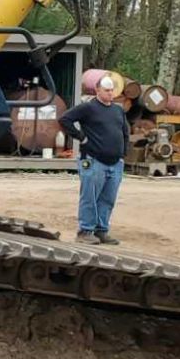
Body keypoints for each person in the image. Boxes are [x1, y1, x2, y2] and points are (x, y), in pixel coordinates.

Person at [60, 75, 129, 245]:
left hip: (115, 162)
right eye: (106, 90)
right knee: (90, 196)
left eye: (112, 90)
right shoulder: (88, 108)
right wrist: (81, 137)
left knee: (108, 198)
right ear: (97, 90)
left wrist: (122, 153)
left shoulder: (118, 110)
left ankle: (101, 230)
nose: (110, 94)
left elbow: (124, 131)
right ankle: (85, 231)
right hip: (93, 160)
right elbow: (65, 119)